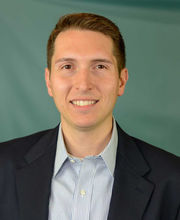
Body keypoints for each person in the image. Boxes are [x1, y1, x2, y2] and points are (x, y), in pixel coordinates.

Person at [0, 12, 179, 220]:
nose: (84, 84)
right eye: (67, 66)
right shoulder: (3, 168)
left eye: (100, 66)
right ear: (49, 82)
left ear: (121, 80)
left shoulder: (173, 182)